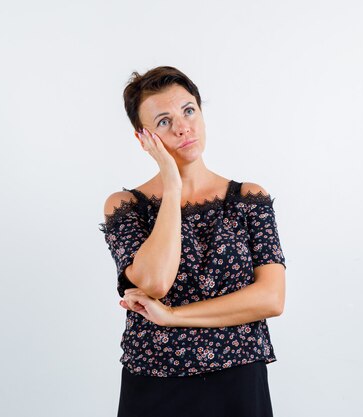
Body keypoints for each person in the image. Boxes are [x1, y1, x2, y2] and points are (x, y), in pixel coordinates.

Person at [98, 65, 287, 417]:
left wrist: (171, 316)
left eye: (188, 111)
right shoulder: (125, 207)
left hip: (237, 381)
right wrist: (172, 185)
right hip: (156, 383)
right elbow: (155, 281)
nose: (183, 126)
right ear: (144, 139)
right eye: (164, 122)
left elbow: (271, 299)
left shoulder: (248, 198)